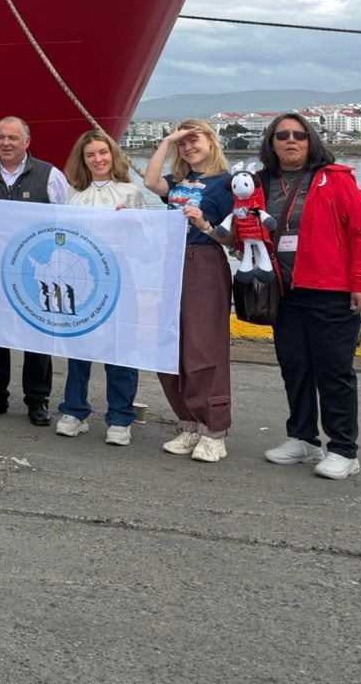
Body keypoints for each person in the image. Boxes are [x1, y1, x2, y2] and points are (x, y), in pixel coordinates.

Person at [245, 114, 361, 480]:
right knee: (295, 368)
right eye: (282, 135)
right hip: (283, 291)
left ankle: (344, 449)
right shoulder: (260, 183)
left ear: (310, 140)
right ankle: (303, 438)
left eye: (299, 135)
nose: (291, 140)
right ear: (271, 143)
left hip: (329, 290)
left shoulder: (336, 180)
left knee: (334, 371)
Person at [0, 116, 68, 426]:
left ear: (27, 141)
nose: (6, 143)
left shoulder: (51, 176)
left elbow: (66, 222)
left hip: (36, 272)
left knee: (37, 335)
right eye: (0, 138)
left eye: (12, 137)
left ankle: (37, 399)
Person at [142, 118, 234, 463]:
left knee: (204, 347)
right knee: (170, 344)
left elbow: (232, 238)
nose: (189, 147)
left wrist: (205, 225)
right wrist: (167, 140)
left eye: (195, 140)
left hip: (203, 259)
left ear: (212, 141)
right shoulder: (178, 181)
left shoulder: (226, 184)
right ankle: (189, 422)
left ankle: (214, 429)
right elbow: (151, 181)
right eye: (184, 143)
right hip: (171, 262)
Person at [55, 129, 154, 446]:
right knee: (78, 347)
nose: (98, 159)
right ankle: (74, 410)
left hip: (121, 275)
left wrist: (134, 223)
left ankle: (121, 416)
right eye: (90, 155)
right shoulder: (74, 195)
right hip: (82, 277)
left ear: (113, 155)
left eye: (102, 152)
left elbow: (146, 247)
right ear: (82, 161)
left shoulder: (130, 192)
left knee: (120, 346)